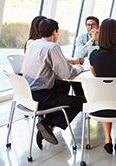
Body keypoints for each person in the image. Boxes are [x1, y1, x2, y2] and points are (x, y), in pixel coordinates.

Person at [22, 18, 85, 150]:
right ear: (55, 32)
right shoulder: (53, 47)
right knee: (81, 102)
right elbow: (67, 74)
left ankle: (47, 125)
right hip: (41, 97)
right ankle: (47, 123)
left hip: (26, 95)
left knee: (63, 87)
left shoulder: (33, 44)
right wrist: (79, 68)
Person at [89, 18, 116, 154]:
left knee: (106, 95)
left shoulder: (94, 55)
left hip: (100, 107)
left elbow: (95, 75)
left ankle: (108, 140)